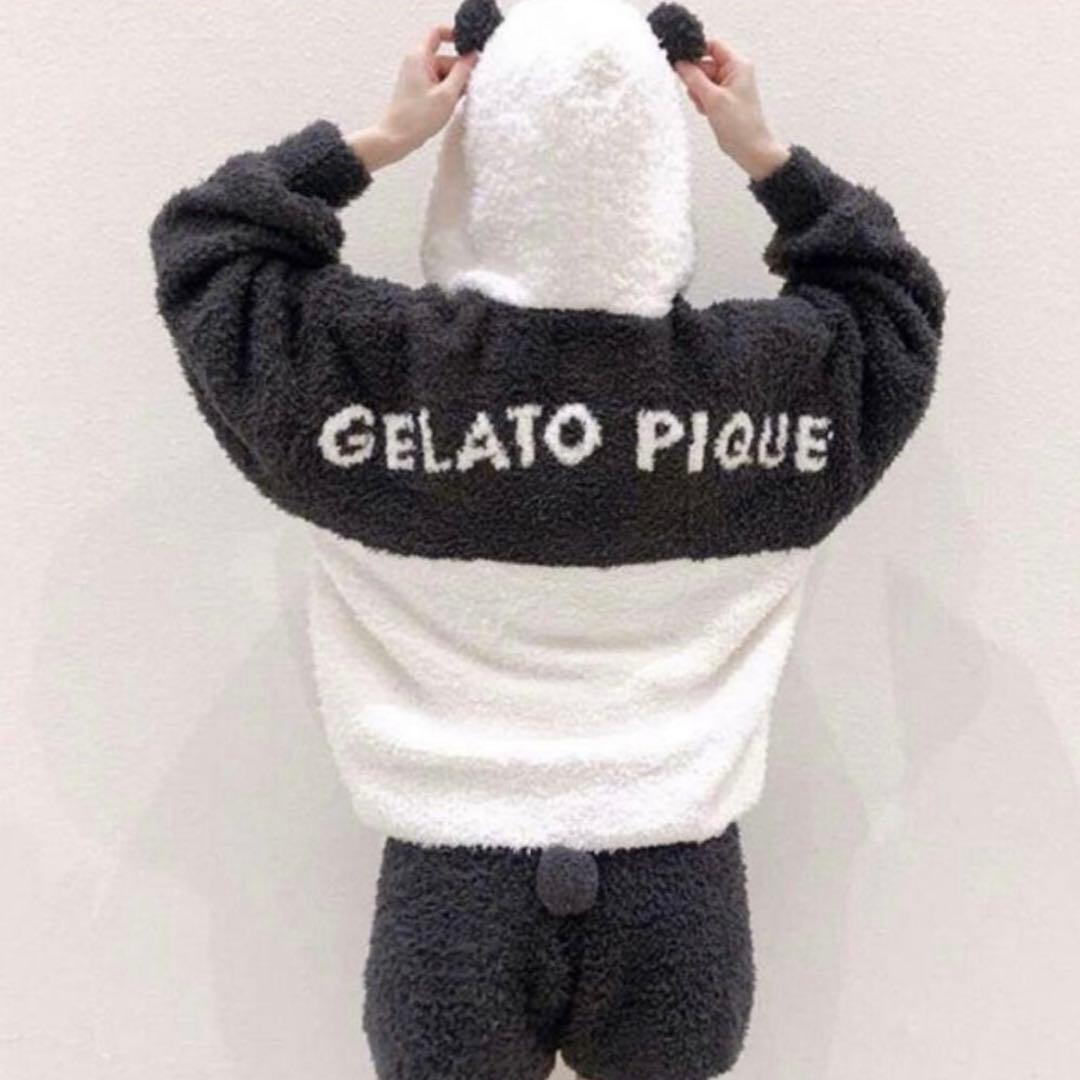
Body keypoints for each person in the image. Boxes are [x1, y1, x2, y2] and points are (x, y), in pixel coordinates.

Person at [149, 1, 945, 1077]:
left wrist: (381, 138)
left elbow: (208, 244)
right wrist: (764, 153)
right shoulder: (763, 385)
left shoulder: (372, 375)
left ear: (482, 165)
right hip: (679, 889)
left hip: (453, 890)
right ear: (657, 175)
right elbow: (895, 303)